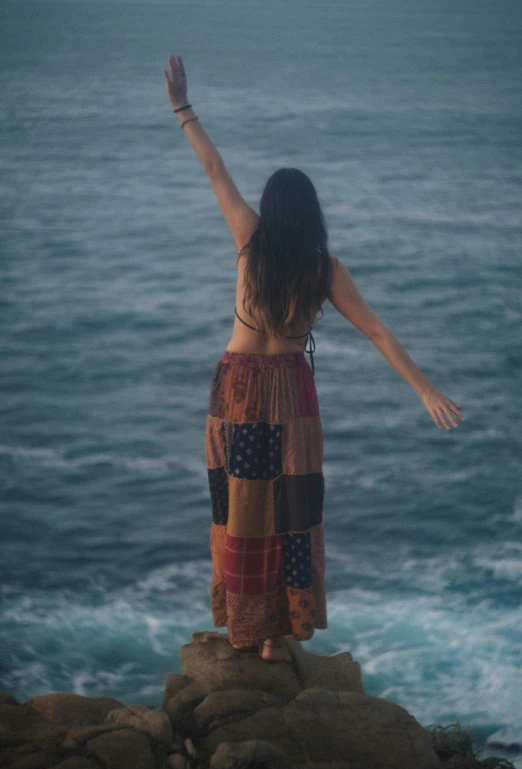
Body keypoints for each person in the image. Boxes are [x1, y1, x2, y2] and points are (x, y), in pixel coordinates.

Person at [163, 55, 465, 663]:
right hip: (293, 395)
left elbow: (215, 169)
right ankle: (276, 634)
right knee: (290, 511)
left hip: (241, 389)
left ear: (272, 208)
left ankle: (246, 627)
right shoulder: (324, 268)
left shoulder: (250, 238)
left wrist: (182, 106)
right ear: (312, 213)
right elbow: (378, 333)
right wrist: (425, 389)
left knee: (240, 507)